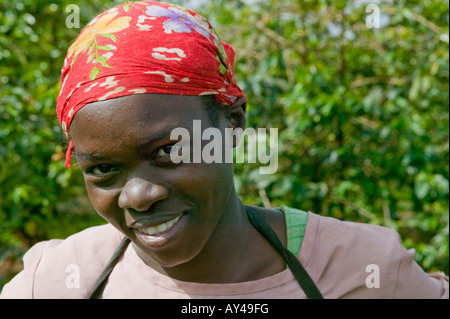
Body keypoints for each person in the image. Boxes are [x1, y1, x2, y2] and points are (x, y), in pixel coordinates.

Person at [1, 1, 448, 299]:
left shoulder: (362, 271)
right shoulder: (56, 282)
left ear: (232, 122)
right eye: (102, 169)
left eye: (168, 152)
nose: (137, 196)